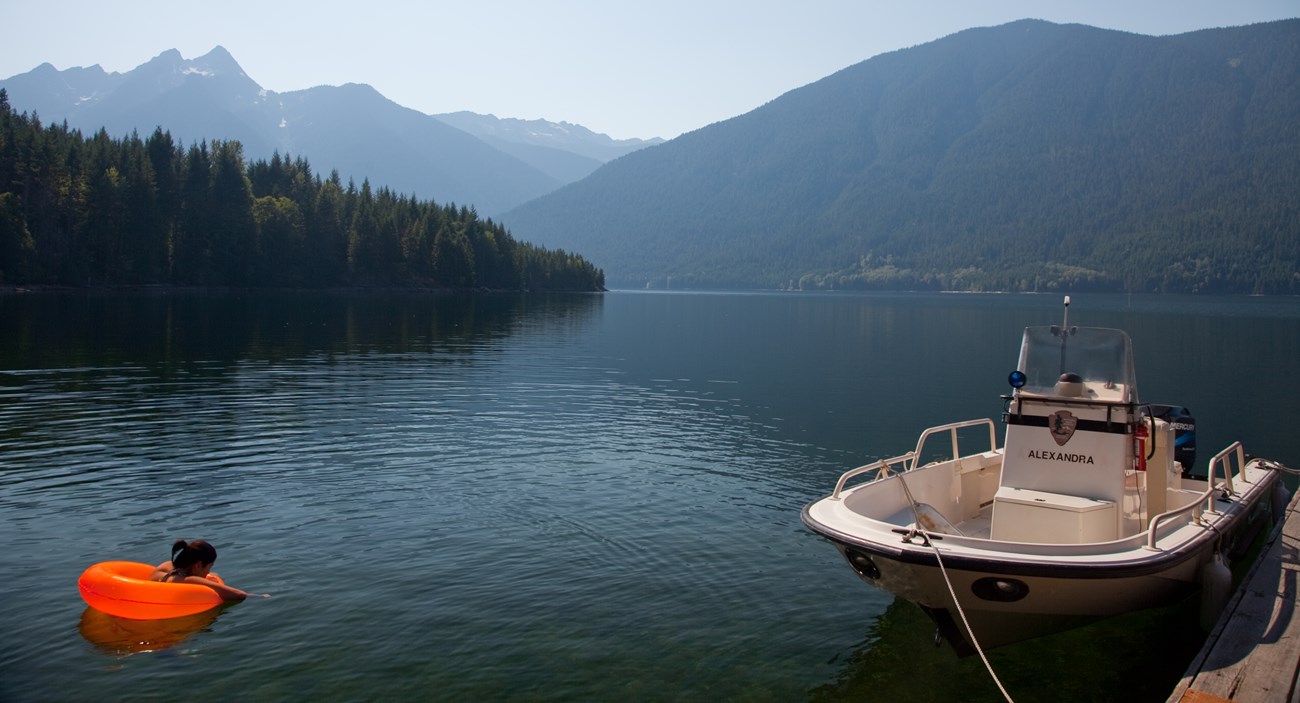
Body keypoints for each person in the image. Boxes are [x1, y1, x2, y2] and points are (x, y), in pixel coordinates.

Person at [150, 539, 269, 600]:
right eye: (209, 567)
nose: (208, 572)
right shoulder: (188, 580)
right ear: (197, 565)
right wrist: (260, 596)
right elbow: (238, 594)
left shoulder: (166, 566)